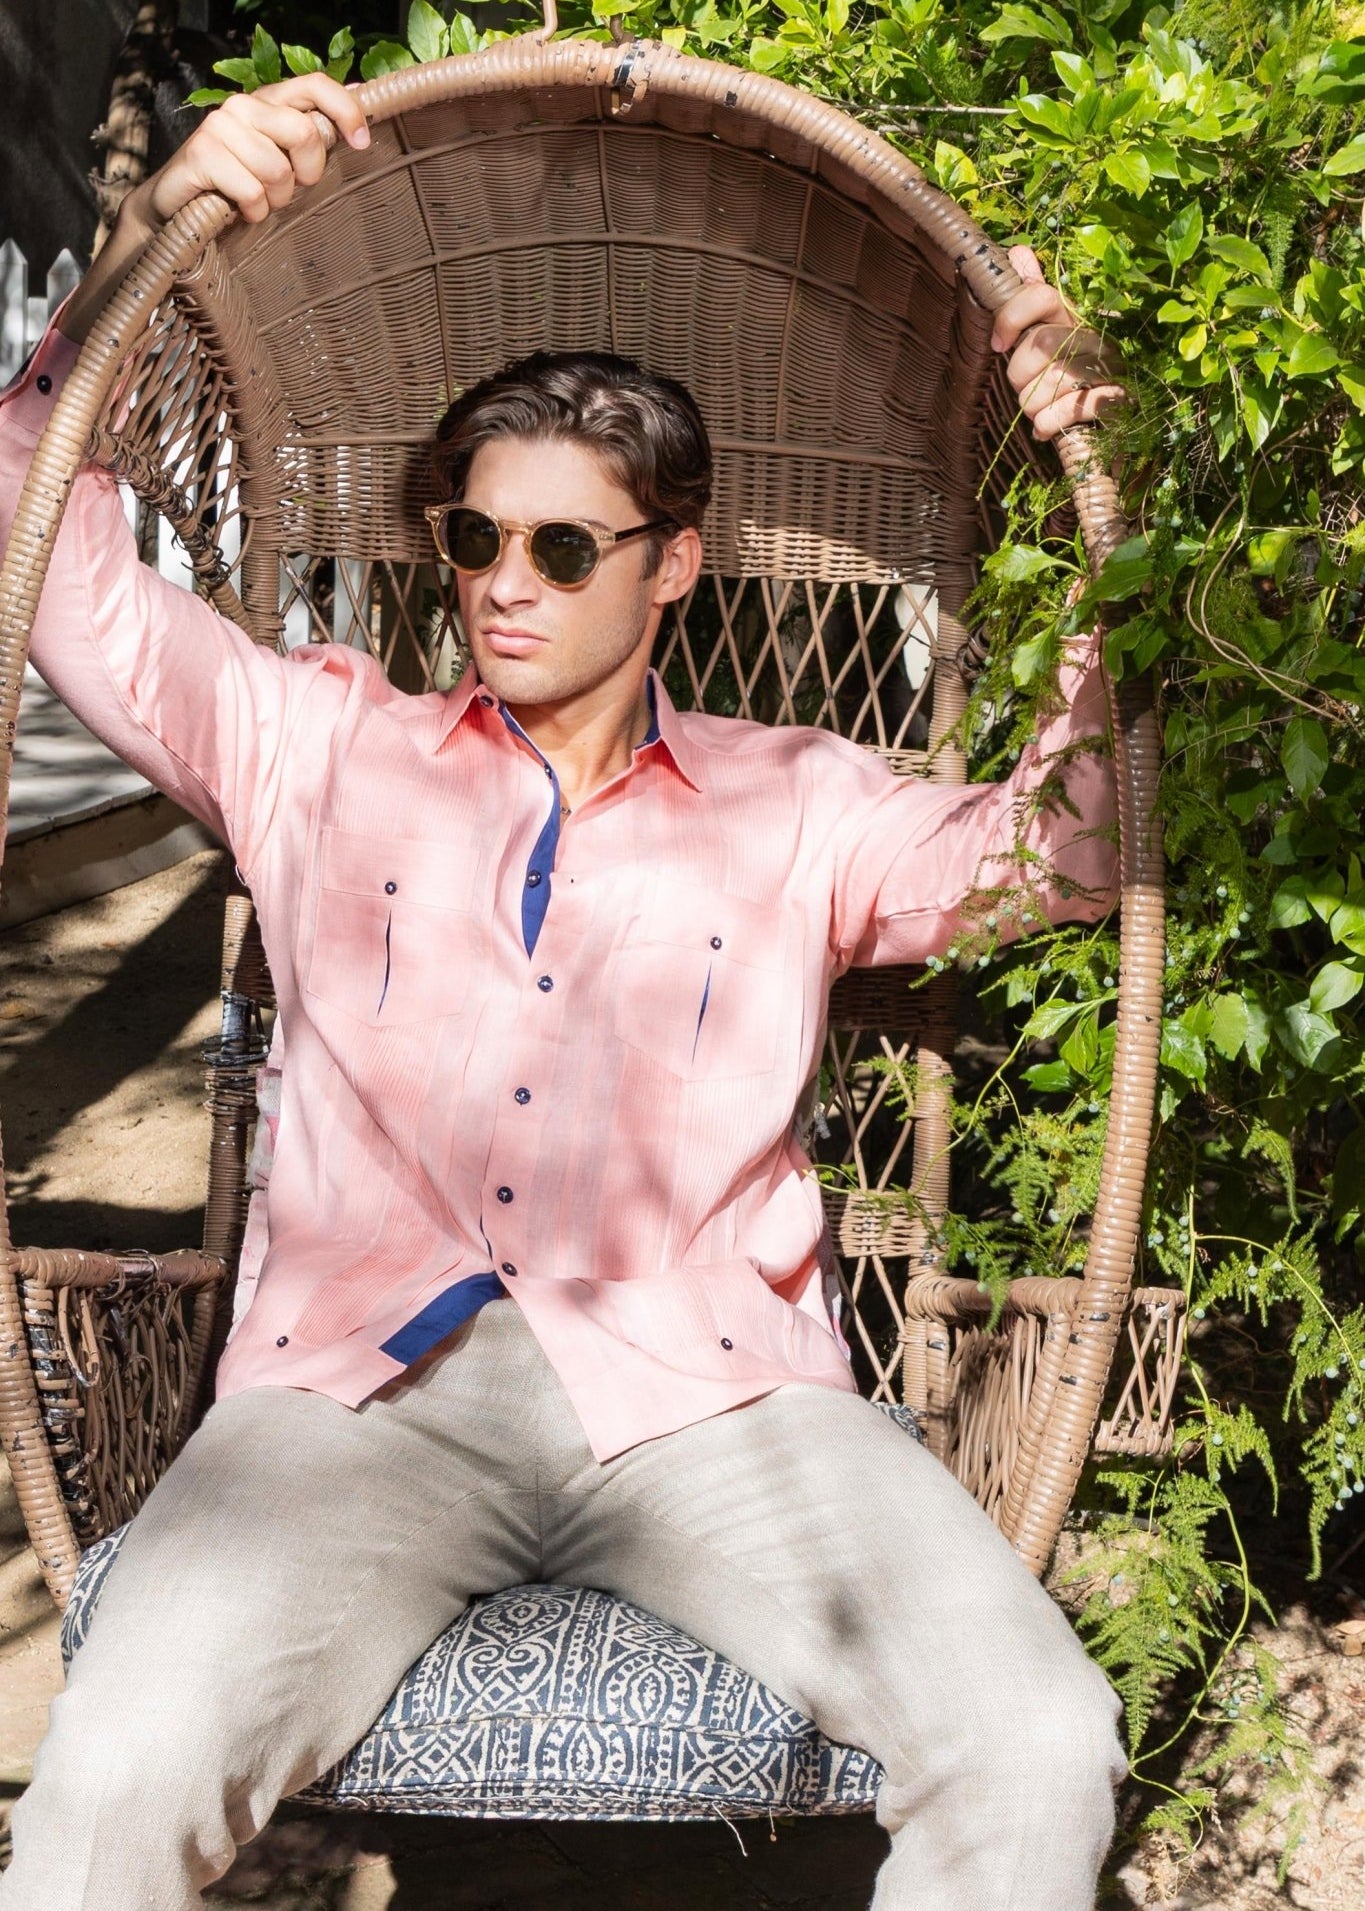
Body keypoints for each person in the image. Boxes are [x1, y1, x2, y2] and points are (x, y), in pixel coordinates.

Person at [0, 73, 1131, 1911]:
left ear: (673, 563)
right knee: (107, 1783)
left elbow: (1068, 852)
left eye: (559, 547)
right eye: (470, 538)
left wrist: (1112, 499)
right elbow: (37, 557)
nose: (499, 587)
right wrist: (134, 253)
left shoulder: (801, 803)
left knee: (1034, 1744)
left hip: (715, 1395)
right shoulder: (312, 742)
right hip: (354, 1403)